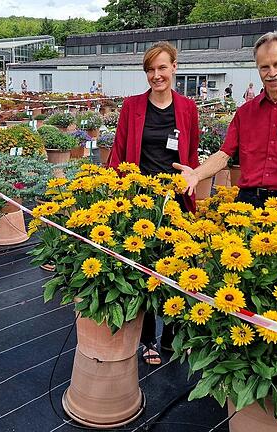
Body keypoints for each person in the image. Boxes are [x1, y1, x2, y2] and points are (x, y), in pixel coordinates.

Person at [107, 41, 200, 365]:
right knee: (144, 267)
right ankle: (147, 339)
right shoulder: (132, 106)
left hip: (175, 200)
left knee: (177, 268)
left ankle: (173, 336)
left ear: (174, 67)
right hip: (141, 199)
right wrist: (115, 191)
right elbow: (119, 151)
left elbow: (192, 156)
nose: (156, 75)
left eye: (162, 67)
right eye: (150, 69)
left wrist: (191, 189)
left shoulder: (187, 108)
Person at [174, 30, 277, 208]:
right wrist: (197, 175)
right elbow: (224, 155)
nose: (272, 72)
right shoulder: (245, 112)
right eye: (264, 67)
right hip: (249, 201)